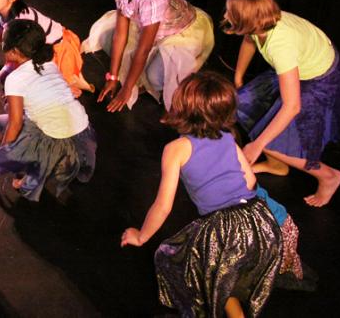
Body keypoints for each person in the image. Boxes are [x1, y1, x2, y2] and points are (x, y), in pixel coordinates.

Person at [120, 72, 280, 318]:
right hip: (258, 220)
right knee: (230, 266)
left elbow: (163, 206)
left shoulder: (176, 149)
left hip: (223, 229)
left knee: (183, 261)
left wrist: (140, 236)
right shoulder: (227, 137)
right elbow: (250, 180)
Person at [223, 0, 340, 207]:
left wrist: (258, 145)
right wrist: (239, 79)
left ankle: (328, 176)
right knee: (243, 102)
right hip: (299, 70)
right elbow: (248, 41)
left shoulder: (281, 45)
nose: (225, 15)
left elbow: (292, 106)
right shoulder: (259, 24)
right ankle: (277, 166)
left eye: (229, 12)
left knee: (269, 142)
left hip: (320, 81)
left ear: (246, 20)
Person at [82, 0, 214, 112]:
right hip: (151, 27)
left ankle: (192, 64)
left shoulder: (153, 0)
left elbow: (143, 50)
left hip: (181, 33)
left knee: (154, 78)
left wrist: (127, 89)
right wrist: (112, 77)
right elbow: (120, 35)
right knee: (109, 39)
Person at [0, 19, 97, 202]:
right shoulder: (49, 63)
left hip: (56, 142)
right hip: (84, 133)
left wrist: (1, 154)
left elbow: (15, 124)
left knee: (22, 130)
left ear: (15, 51)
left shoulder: (15, 78)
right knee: (82, 173)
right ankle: (77, 167)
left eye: (4, 41)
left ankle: (37, 171)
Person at [0, 0, 92, 97]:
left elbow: (30, 54)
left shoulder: (20, 22)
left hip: (55, 49)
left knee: (41, 85)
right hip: (35, 46)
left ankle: (65, 88)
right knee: (8, 74)